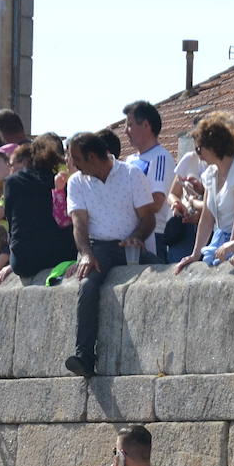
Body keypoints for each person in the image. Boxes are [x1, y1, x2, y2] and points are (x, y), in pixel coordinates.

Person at [63, 131, 159, 379]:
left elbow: (148, 217)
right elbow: (79, 223)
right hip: (100, 247)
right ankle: (84, 355)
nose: (74, 164)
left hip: (130, 245)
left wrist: (137, 236)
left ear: (92, 157)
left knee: (163, 270)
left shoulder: (130, 174)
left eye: (77, 159)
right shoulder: (77, 182)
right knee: (88, 285)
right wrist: (85, 253)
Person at [174, 112, 234, 272]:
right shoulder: (210, 174)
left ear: (213, 146)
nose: (197, 153)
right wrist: (194, 254)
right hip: (221, 242)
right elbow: (206, 218)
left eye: (199, 148)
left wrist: (231, 250)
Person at [0, 135, 77, 282]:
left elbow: (10, 220)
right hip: (62, 255)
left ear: (31, 156)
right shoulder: (63, 182)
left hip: (23, 262)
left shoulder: (12, 182)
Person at [122, 100, 177, 258]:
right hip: (130, 237)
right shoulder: (129, 160)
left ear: (146, 125)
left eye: (130, 125)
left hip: (153, 237)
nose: (126, 131)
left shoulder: (160, 157)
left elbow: (157, 201)